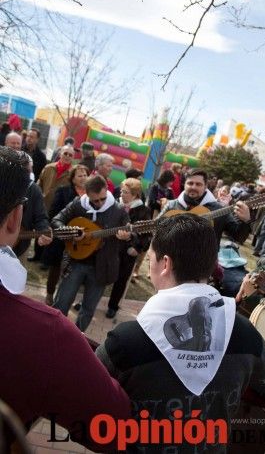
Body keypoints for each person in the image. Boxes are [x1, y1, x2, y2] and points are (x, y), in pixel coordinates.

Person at [96, 214, 265, 453]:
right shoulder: (244, 332)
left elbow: (86, 395)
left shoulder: (126, 340)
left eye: (151, 259)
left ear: (164, 263)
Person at [0, 147, 130, 452]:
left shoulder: (118, 212)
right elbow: (113, 427)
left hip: (98, 269)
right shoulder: (46, 333)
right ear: (16, 216)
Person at [52, 174, 131, 332]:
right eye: (95, 200)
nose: (99, 203)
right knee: (62, 303)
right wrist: (71, 231)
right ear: (86, 194)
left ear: (106, 190)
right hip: (75, 262)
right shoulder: (78, 204)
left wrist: (127, 236)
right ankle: (53, 333)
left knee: (88, 309)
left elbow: (131, 234)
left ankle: (77, 339)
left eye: (102, 199)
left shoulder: (118, 210)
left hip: (101, 267)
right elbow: (56, 220)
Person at [160, 168, 251, 249]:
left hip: (204, 265)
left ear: (205, 186)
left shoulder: (220, 210)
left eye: (198, 184)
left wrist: (245, 221)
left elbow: (238, 236)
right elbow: (155, 230)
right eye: (190, 183)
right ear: (184, 184)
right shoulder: (172, 205)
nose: (193, 187)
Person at [42, 164, 90, 306]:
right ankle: (50, 294)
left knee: (72, 271)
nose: (83, 178)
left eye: (85, 175)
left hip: (80, 240)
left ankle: (64, 297)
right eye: (79, 175)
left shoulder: (91, 194)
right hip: (62, 237)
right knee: (56, 267)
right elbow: (54, 214)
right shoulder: (63, 191)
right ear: (72, 178)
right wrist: (66, 230)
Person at [106, 178, 151, 318]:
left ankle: (113, 306)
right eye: (121, 191)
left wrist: (137, 248)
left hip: (127, 251)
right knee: (99, 275)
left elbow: (147, 234)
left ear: (135, 195)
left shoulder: (143, 211)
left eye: (125, 192)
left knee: (121, 280)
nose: (122, 194)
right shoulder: (113, 204)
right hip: (109, 247)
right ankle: (87, 301)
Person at [38, 145, 74, 212]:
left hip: (58, 210)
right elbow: (39, 185)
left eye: (70, 155)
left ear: (73, 158)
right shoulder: (48, 168)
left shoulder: (73, 173)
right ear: (60, 154)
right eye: (65, 153)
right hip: (42, 206)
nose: (68, 156)